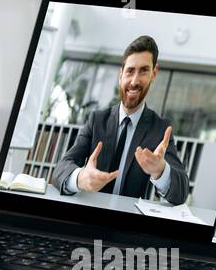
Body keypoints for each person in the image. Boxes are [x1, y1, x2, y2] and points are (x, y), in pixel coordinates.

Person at [52, 35, 189, 205]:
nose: (134, 81)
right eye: (130, 71)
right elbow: (62, 167)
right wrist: (80, 178)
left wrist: (160, 170)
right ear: (121, 74)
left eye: (144, 71)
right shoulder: (97, 120)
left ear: (154, 74)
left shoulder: (160, 129)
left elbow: (181, 192)